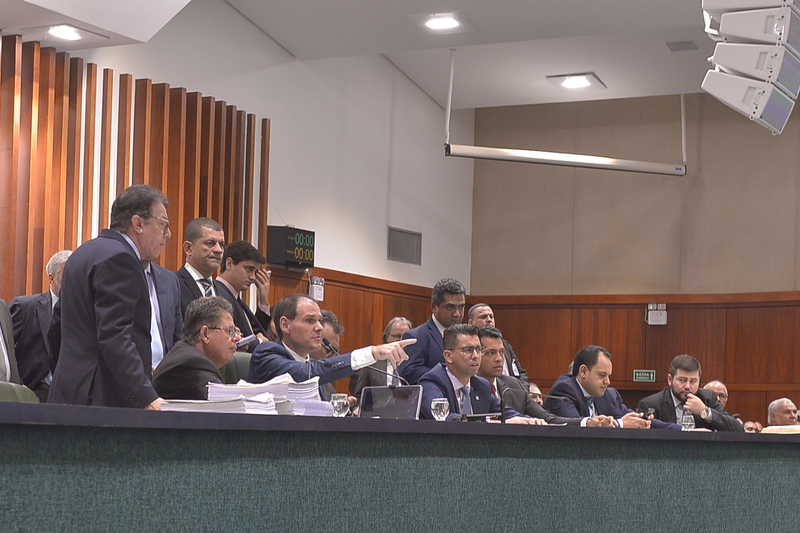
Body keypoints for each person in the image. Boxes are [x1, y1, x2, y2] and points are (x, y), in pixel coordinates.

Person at [48, 185, 170, 409]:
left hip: (68, 392)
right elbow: (114, 335)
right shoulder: (121, 259)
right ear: (138, 224)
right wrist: (146, 395)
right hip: (102, 399)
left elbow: (56, 326)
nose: (167, 234)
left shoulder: (81, 253)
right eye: (163, 224)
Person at [247, 294, 413, 392]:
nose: (319, 327)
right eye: (310, 320)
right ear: (285, 325)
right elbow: (304, 374)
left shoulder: (313, 367)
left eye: (319, 320)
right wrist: (372, 352)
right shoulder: (266, 354)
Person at [476, 327, 612, 427]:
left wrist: (587, 422)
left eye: (501, 352)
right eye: (491, 353)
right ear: (477, 355)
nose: (499, 359)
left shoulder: (513, 385)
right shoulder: (470, 387)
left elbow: (549, 419)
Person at [418, 324, 539, 424]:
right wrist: (493, 422)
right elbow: (444, 419)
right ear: (448, 356)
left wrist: (533, 421)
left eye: (479, 349)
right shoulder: (432, 382)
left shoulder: (481, 385)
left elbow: (508, 414)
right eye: (468, 350)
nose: (476, 356)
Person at [544, 345, 657, 429]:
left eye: (608, 376)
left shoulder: (607, 394)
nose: (607, 382)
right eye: (602, 375)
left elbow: (627, 417)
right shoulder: (564, 389)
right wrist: (620, 424)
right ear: (583, 371)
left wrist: (641, 420)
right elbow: (575, 429)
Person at [10, 250, 71, 402]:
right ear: (52, 278)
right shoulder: (26, 307)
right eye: (67, 276)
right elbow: (4, 348)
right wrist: (17, 384)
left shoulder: (85, 311)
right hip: (34, 391)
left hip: (71, 395)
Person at [152, 297, 238, 400]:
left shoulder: (186, 355)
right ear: (205, 334)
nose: (236, 338)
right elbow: (225, 404)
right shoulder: (193, 363)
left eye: (235, 331)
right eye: (229, 330)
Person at [638, 355, 742, 432]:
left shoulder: (708, 398)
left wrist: (705, 412)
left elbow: (737, 429)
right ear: (670, 379)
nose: (688, 386)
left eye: (693, 381)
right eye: (682, 380)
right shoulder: (652, 404)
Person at [398, 278, 465, 385]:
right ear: (434, 307)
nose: (457, 313)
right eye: (450, 307)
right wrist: (449, 374)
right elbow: (409, 373)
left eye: (461, 307)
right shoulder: (416, 336)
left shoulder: (466, 338)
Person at [214, 240, 271, 352]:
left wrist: (263, 301)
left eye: (255, 272)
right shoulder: (217, 293)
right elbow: (230, 340)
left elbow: (258, 332)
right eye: (249, 269)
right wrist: (259, 342)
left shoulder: (237, 300)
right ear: (229, 264)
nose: (253, 277)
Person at [467, 303, 528, 384]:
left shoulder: (505, 344)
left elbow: (520, 372)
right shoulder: (469, 347)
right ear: (471, 323)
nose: (489, 320)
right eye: (483, 317)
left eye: (491, 317)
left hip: (509, 388)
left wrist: (524, 389)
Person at [176, 217, 226, 315]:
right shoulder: (173, 285)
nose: (219, 250)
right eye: (210, 243)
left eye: (221, 244)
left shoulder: (224, 293)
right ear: (188, 248)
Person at [353, 316, 411, 399]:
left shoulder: (414, 363)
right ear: (387, 338)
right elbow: (359, 396)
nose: (401, 341)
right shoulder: (372, 363)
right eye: (397, 336)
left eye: (405, 337)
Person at [308, 309, 345, 401]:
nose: (333, 357)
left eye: (336, 352)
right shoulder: (291, 374)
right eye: (329, 350)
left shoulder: (328, 387)